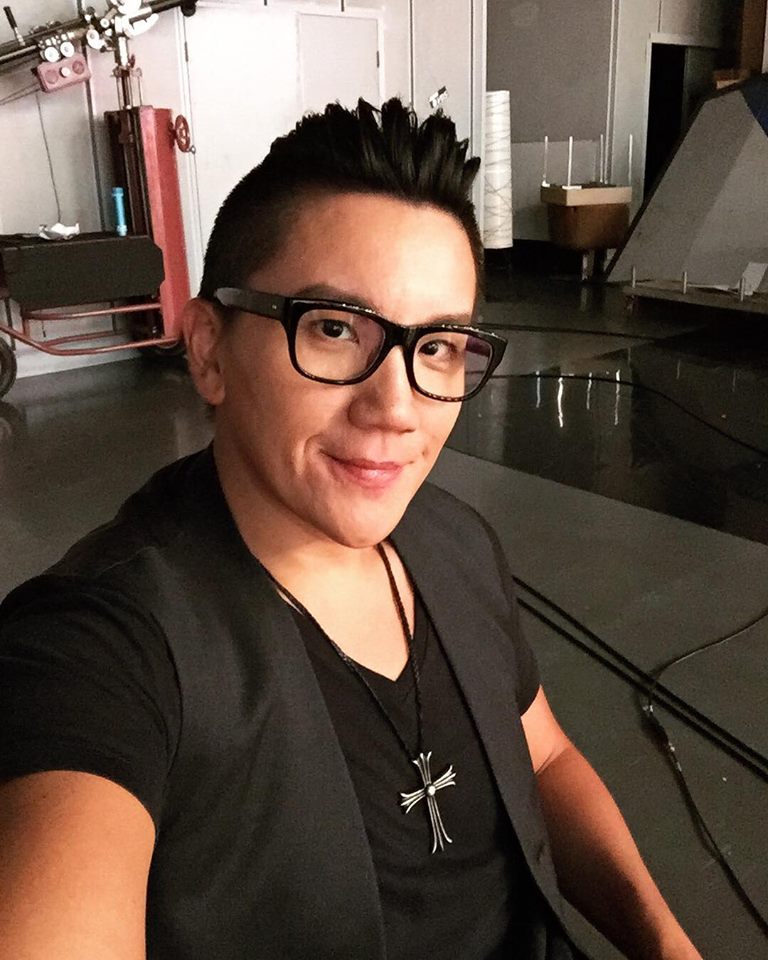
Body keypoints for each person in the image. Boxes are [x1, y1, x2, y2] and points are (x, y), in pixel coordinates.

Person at [0, 98, 702, 960]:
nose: (396, 408)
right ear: (210, 351)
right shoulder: (102, 650)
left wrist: (665, 943)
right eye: (333, 329)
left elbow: (545, 758)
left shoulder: (455, 541)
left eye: (437, 346)